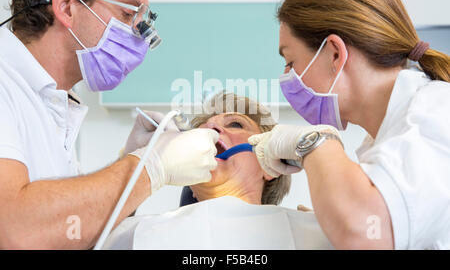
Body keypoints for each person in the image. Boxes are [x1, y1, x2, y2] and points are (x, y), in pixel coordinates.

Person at [0, 0, 218, 249]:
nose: (140, 36)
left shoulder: (53, 104)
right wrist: (146, 168)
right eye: (128, 14)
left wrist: (132, 160)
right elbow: (14, 231)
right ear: (66, 6)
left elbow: (66, 232)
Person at [248, 0, 450, 249]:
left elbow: (364, 230)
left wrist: (313, 142)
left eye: (291, 62)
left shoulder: (437, 112)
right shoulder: (384, 139)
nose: (287, 77)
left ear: (334, 53)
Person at [103, 93, 333, 250]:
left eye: (235, 124)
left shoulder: (316, 234)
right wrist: (132, 166)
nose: (210, 129)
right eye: (201, 130)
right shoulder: (137, 232)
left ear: (270, 165)